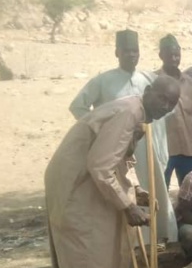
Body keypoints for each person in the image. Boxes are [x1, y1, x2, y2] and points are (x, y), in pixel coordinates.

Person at [46, 75, 181, 268]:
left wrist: (136, 189)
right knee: (94, 259)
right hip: (79, 188)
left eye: (172, 103)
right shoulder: (130, 113)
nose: (166, 106)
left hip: (80, 184)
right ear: (147, 91)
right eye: (163, 98)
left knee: (85, 257)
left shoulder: (135, 112)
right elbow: (101, 165)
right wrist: (127, 205)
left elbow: (117, 158)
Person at [69, 29, 177, 243]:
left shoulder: (149, 78)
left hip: (147, 145)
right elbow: (78, 106)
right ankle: (134, 243)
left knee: (153, 191)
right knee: (122, 189)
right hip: (116, 148)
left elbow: (168, 111)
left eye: (135, 51)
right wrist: (101, 131)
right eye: (127, 51)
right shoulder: (103, 80)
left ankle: (158, 239)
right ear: (117, 52)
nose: (132, 55)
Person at [157, 34, 192, 188]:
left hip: (188, 146)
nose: (174, 59)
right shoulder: (153, 81)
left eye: (177, 55)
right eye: (170, 55)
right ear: (161, 56)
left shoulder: (189, 83)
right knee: (160, 190)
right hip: (163, 148)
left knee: (189, 190)